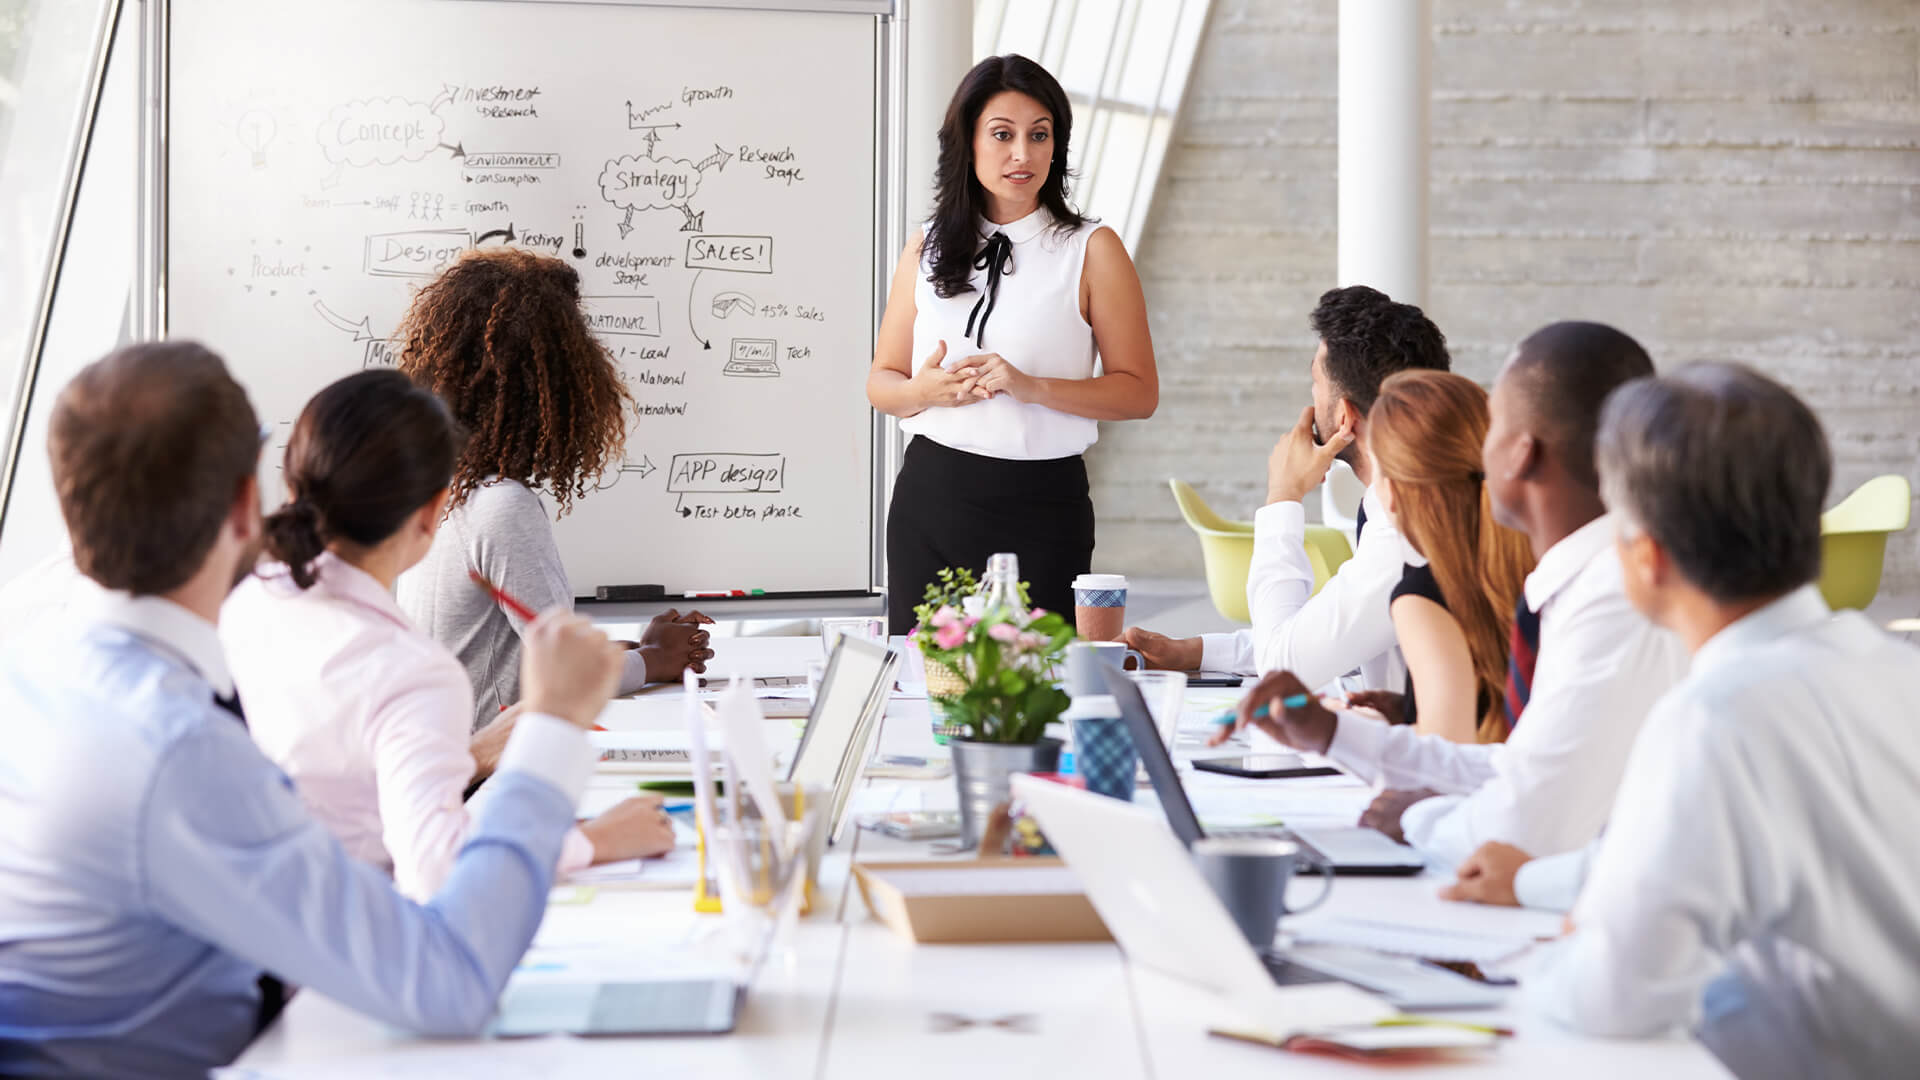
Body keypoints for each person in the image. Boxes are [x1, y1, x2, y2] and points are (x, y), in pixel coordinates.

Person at [0, 342, 621, 1077]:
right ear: (243, 505)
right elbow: (450, 979)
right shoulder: (181, 749)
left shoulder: (35, 669)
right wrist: (549, 731)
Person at [1529, 363, 1920, 1080]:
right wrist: (1536, 885)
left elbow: (1613, 999)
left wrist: (1570, 949)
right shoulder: (1897, 669)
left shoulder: (1715, 719)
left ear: (1645, 556)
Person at [1219, 322, 1684, 865]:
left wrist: (1416, 818)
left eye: (1492, 427)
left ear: (1520, 454)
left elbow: (1528, 821)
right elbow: (1519, 768)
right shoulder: (1580, 580)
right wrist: (1332, 734)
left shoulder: (1615, 597)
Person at [221, 370, 675, 903]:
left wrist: (475, 751)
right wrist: (591, 842)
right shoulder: (409, 668)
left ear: (294, 483)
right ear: (434, 511)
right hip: (345, 936)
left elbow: (342, 775)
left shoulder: (245, 603)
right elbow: (438, 873)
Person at [868, 54, 1157, 635]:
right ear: (968, 143)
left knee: (1036, 691)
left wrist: (1031, 388)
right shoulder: (923, 247)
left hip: (1043, 505)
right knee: (925, 688)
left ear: (1058, 146)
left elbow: (1139, 393)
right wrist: (923, 392)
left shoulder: (1092, 248)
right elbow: (882, 381)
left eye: (1039, 135)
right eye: (1002, 135)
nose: (1022, 154)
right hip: (933, 496)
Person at [395, 248, 714, 727]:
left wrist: (642, 646)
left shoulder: (449, 493)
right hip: (486, 773)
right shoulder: (501, 506)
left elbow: (525, 649)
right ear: (554, 380)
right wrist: (655, 660)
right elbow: (571, 673)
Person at [1124, 285, 1451, 692]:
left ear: (1346, 416)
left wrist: (1283, 496)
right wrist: (1197, 652)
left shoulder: (1403, 531)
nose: (1310, 400)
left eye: (1315, 382)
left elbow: (1285, 666)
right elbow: (1323, 638)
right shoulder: (1421, 500)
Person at [1364, 370, 1535, 743]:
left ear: (1390, 493)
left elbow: (1444, 760)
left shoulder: (1421, 599)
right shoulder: (1537, 565)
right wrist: (1409, 709)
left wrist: (1363, 737)